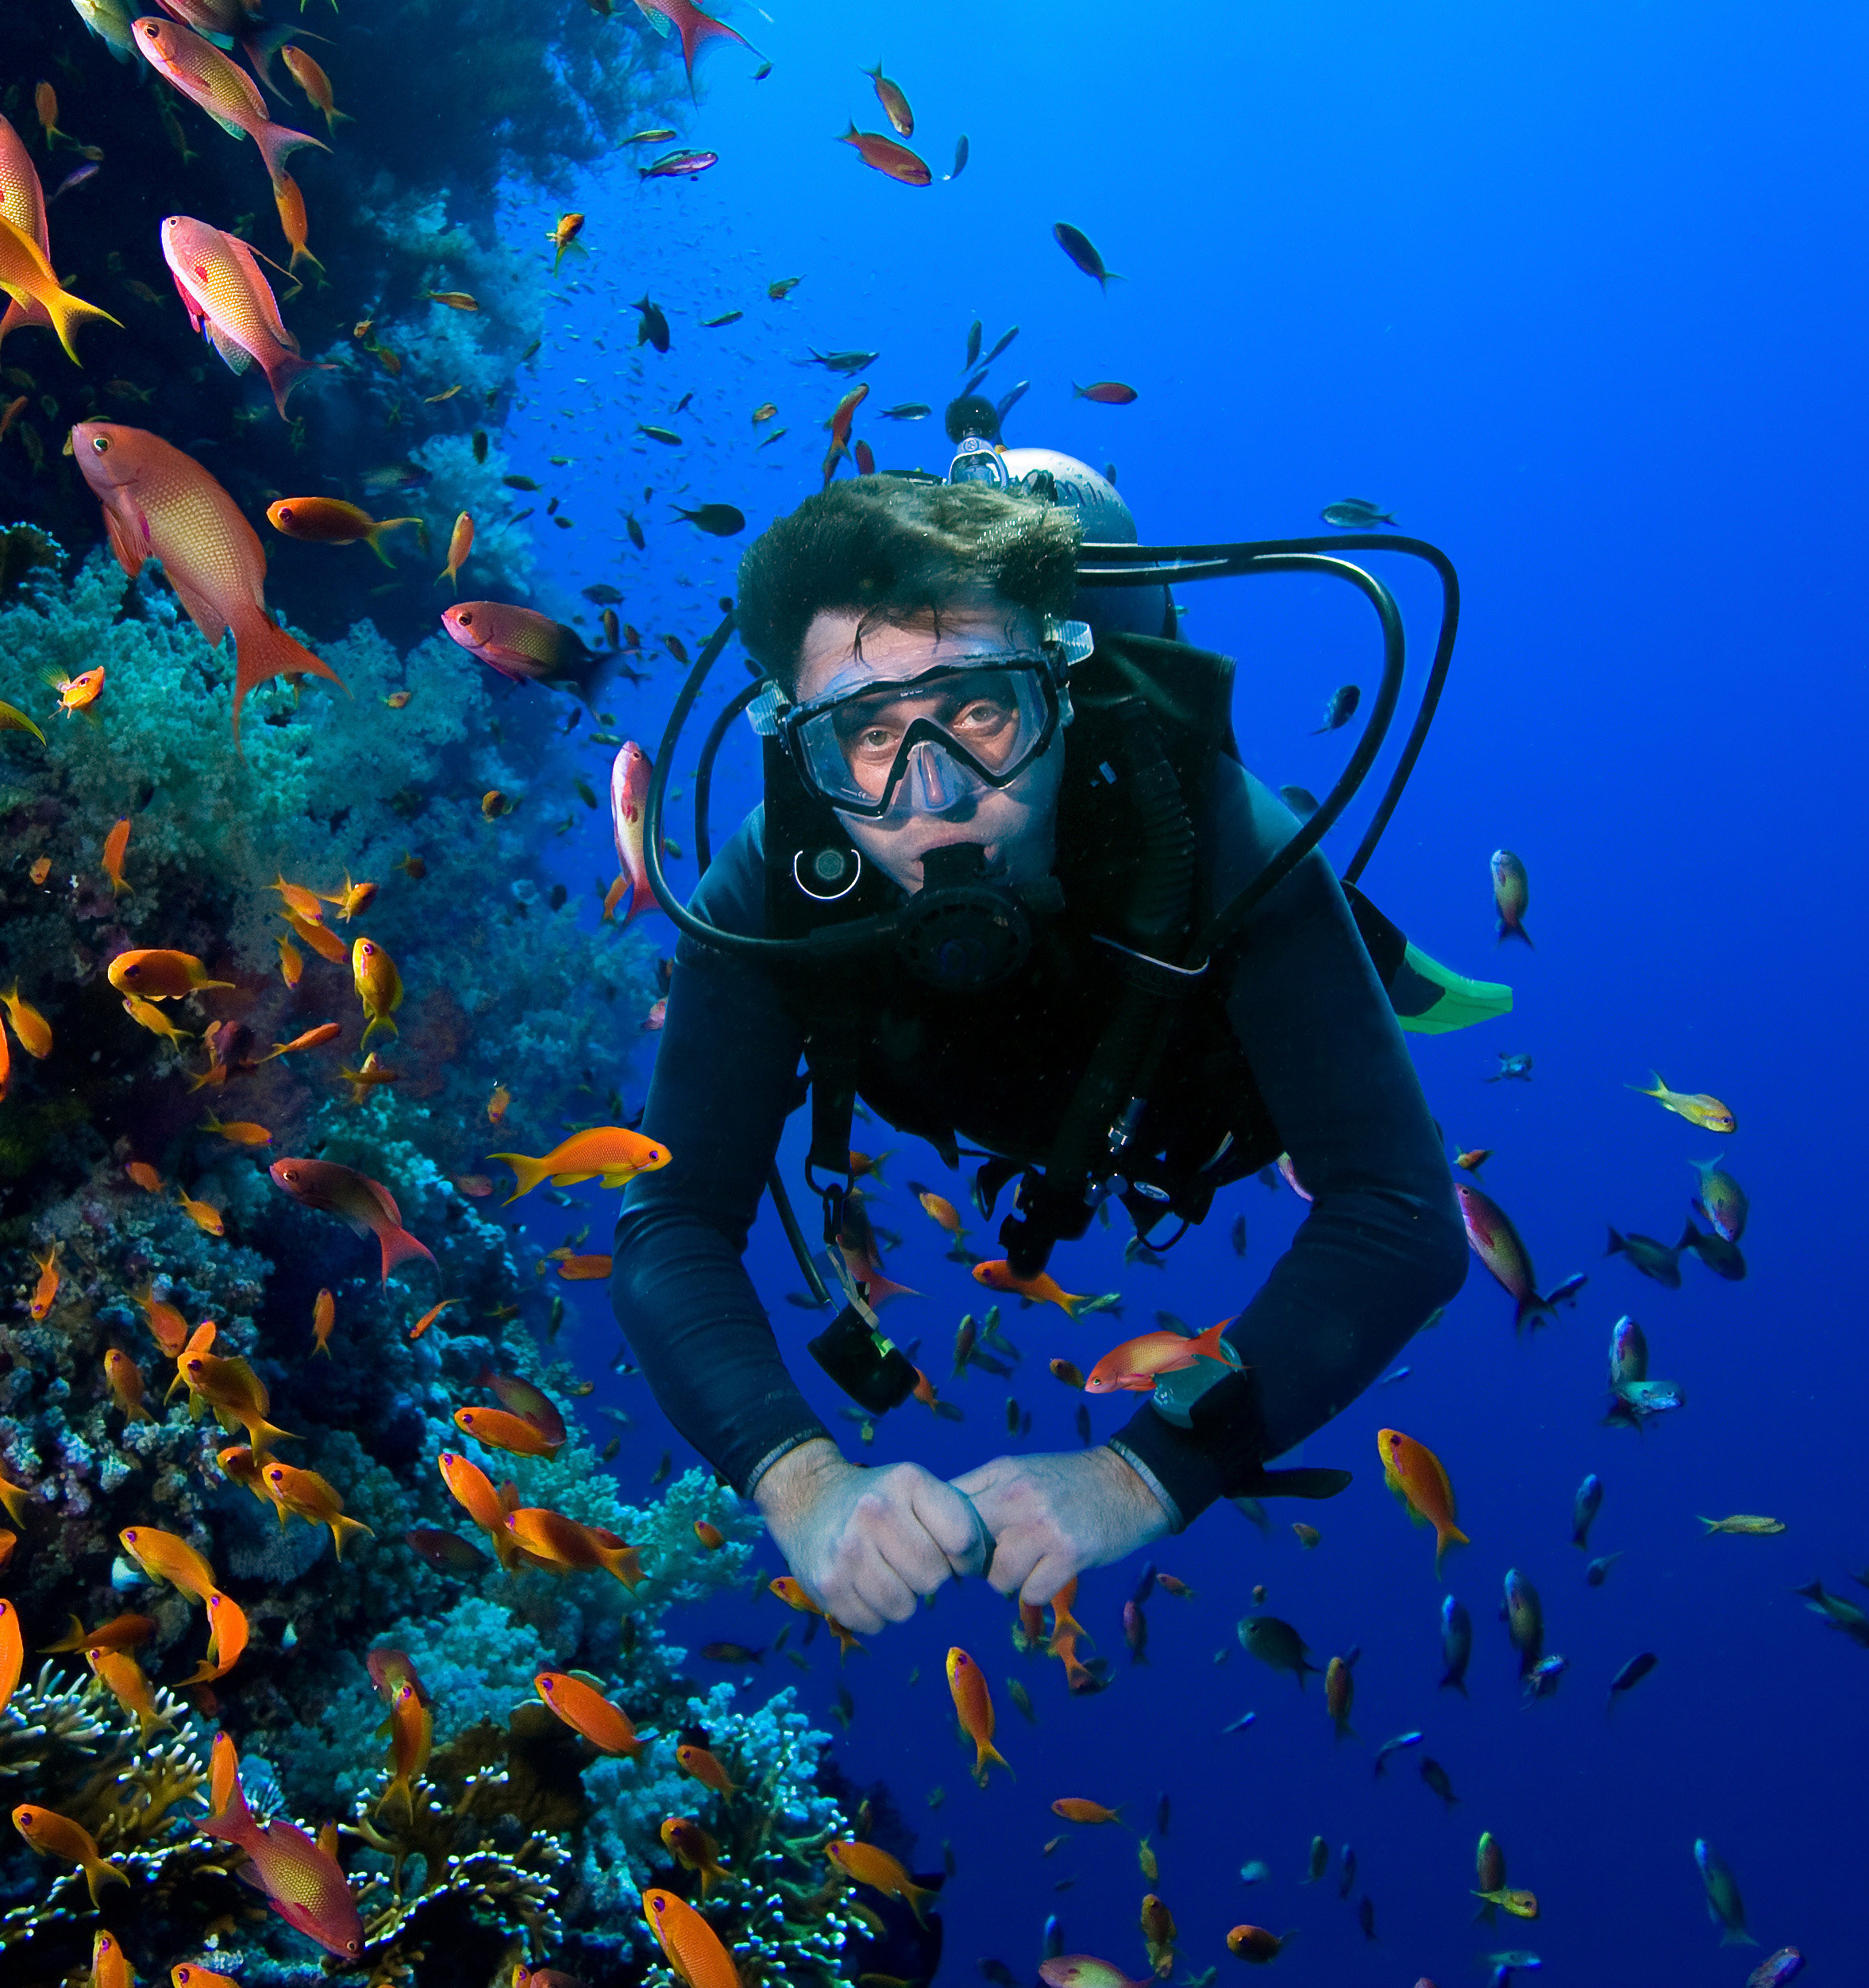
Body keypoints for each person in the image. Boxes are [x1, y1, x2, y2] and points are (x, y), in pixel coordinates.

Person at [613, 460, 1470, 1636]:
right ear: (805, 751)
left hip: (1198, 1101)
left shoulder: (1213, 828)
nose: (937, 795)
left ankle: (1374, 984)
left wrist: (1142, 1473)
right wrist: (799, 1481)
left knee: (1327, 1080)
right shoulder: (772, 882)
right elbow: (670, 1219)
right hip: (1009, 1101)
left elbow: (1401, 1215)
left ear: (1058, 695)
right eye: (867, 736)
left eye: (979, 711)